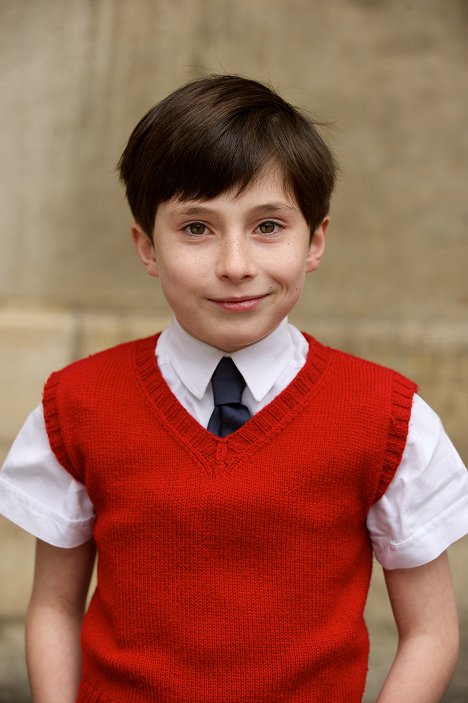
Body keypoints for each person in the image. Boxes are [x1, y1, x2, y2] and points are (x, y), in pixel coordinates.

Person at [1, 75, 467, 703]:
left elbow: (431, 632)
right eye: (197, 228)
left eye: (268, 226)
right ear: (147, 246)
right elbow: (55, 608)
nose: (235, 264)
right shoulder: (78, 405)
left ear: (315, 241)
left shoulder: (388, 418)